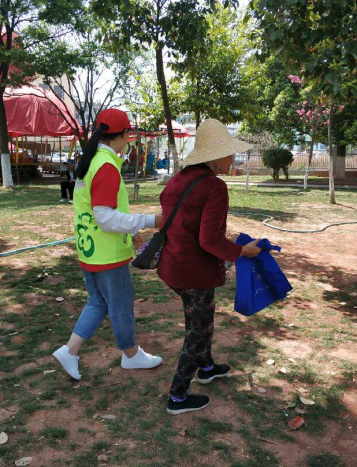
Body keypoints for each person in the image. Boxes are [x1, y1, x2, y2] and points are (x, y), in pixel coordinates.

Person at [158, 119, 261, 415]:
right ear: (215, 157)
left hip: (172, 266)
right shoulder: (214, 187)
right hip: (194, 272)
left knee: (202, 319)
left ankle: (206, 367)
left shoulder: (178, 179)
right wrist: (242, 252)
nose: (233, 159)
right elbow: (209, 240)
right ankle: (178, 396)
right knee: (198, 331)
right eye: (229, 153)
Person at [52, 109, 164, 379]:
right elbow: (105, 217)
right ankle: (131, 355)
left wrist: (131, 231)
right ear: (124, 135)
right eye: (129, 135)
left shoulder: (91, 161)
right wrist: (151, 220)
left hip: (90, 250)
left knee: (98, 302)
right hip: (107, 254)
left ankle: (70, 351)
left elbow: (99, 212)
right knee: (121, 304)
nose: (129, 140)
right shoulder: (106, 165)